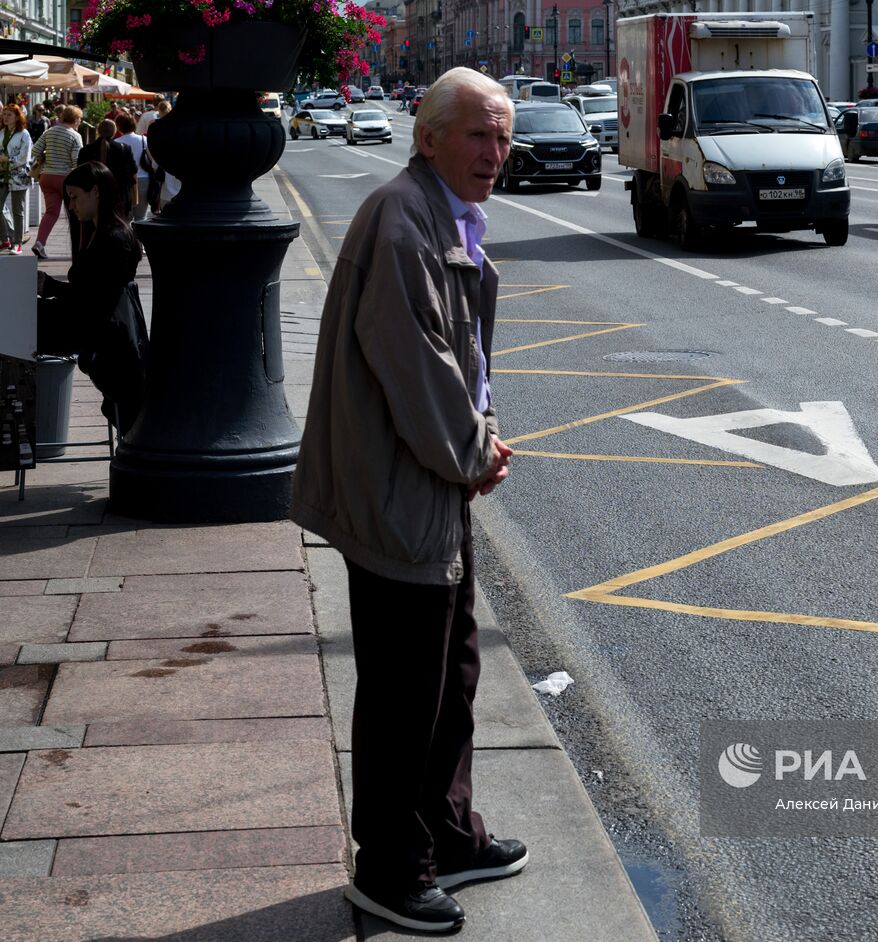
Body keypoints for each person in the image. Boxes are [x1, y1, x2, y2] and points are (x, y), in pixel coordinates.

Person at [290, 67, 526, 935]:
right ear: (428, 138)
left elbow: (465, 358)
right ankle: (391, 867)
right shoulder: (403, 220)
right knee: (404, 691)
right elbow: (416, 366)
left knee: (451, 671)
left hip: (427, 485)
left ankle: (448, 833)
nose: (495, 153)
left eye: (502, 136)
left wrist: (479, 438)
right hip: (397, 493)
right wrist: (472, 452)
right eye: (478, 134)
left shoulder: (442, 214)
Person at [35, 161, 146, 434]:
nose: (71, 207)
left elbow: (93, 301)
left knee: (11, 328)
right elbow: (91, 295)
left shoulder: (114, 238)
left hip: (98, 336)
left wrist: (49, 287)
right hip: (95, 330)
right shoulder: (104, 233)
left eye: (74, 197)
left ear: (95, 191)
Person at [29, 104, 83, 259]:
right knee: (74, 213)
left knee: (51, 212)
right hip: (64, 178)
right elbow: (76, 160)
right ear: (76, 119)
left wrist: (48, 155)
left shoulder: (49, 131)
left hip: (46, 177)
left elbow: (35, 151)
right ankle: (78, 247)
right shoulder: (74, 135)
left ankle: (40, 243)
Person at [78, 119, 139, 219]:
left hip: (93, 197)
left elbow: (80, 175)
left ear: (98, 130)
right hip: (119, 197)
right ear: (115, 131)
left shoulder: (85, 151)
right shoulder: (124, 148)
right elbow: (133, 172)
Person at [1, 104, 33, 254]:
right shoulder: (1, 132)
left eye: (9, 115)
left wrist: (6, 160)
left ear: (17, 117)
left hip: (18, 176)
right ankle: (5, 238)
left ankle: (17, 243)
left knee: (17, 210)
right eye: (4, 114)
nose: (5, 117)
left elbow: (24, 157)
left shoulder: (24, 134)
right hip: (2, 175)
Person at [112, 112, 150, 222]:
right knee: (141, 217)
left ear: (118, 126)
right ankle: (139, 239)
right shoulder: (144, 140)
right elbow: (152, 161)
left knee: (124, 218)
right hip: (144, 179)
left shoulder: (116, 142)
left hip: (123, 183)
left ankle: (127, 239)